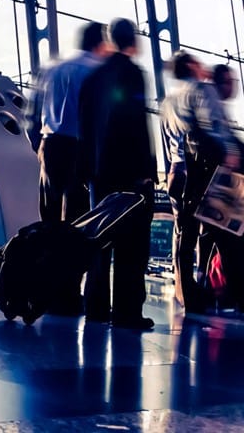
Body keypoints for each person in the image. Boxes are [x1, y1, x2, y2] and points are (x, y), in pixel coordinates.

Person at [77, 18, 156, 330]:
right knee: (133, 244)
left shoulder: (93, 77)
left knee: (99, 237)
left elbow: (84, 126)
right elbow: (136, 122)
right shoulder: (133, 73)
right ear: (132, 40)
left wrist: (86, 169)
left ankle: (95, 306)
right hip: (129, 171)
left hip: (99, 172)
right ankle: (126, 311)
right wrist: (146, 171)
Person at [160, 52, 241, 314]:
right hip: (201, 173)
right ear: (191, 67)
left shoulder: (167, 101)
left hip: (175, 173)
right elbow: (214, 126)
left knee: (183, 237)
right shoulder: (201, 91)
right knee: (221, 232)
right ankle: (227, 292)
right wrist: (231, 151)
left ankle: (187, 296)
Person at [34, 22, 109, 231]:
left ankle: (47, 260)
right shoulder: (98, 71)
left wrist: (39, 144)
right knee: (77, 216)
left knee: (49, 214)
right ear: (100, 43)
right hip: (80, 148)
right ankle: (71, 262)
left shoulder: (53, 68)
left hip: (50, 144)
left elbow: (31, 112)